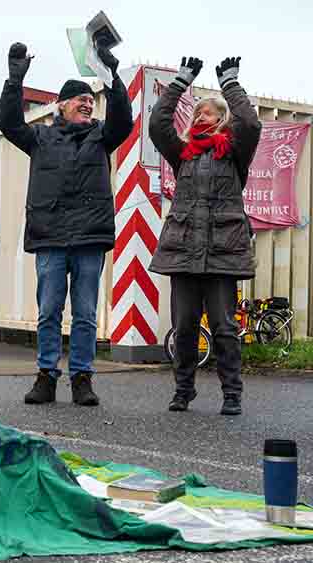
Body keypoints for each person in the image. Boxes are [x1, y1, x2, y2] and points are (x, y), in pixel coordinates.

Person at [0, 41, 133, 407]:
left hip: (90, 236)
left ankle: (82, 379)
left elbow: (125, 120)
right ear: (61, 105)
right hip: (50, 236)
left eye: (91, 100)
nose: (88, 104)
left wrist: (112, 74)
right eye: (80, 100)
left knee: (86, 314)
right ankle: (45, 377)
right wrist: (14, 81)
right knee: (49, 312)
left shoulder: (102, 135)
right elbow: (8, 123)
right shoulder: (39, 137)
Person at [148, 57, 260, 416]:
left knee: (225, 329)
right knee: (184, 329)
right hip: (183, 253)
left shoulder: (235, 154)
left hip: (222, 254)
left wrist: (229, 83)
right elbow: (157, 123)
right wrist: (181, 82)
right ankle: (183, 390)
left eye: (207, 114)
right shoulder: (183, 154)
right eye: (196, 114)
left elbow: (251, 123)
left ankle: (232, 394)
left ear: (222, 120)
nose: (199, 118)